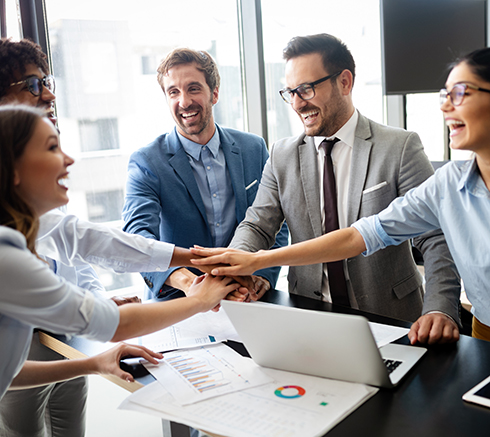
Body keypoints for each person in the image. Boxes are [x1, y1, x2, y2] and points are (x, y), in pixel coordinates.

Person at [191, 47, 490, 344]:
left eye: (306, 89)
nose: (296, 102)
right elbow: (262, 225)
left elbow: (435, 238)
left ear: (345, 82)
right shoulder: (282, 154)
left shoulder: (399, 147)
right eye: (290, 92)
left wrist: (440, 307)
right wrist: (236, 270)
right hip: (309, 315)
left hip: (391, 320)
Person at [0, 105, 239, 403]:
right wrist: (200, 300)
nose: (69, 159)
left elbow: (7, 372)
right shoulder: (7, 256)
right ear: (13, 170)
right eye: (52, 147)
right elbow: (117, 324)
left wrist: (91, 364)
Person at [0, 37, 136, 437]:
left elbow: (71, 250)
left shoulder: (36, 158)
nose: (48, 93)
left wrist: (93, 299)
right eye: (31, 84)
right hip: (24, 342)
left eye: (45, 80)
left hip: (66, 334)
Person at [122, 47, 288, 301]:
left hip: (247, 297)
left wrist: (262, 275)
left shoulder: (253, 148)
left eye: (194, 88)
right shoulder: (147, 161)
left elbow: (277, 219)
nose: (184, 101)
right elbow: (138, 236)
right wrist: (190, 284)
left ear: (215, 93)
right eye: (173, 92)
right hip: (179, 299)